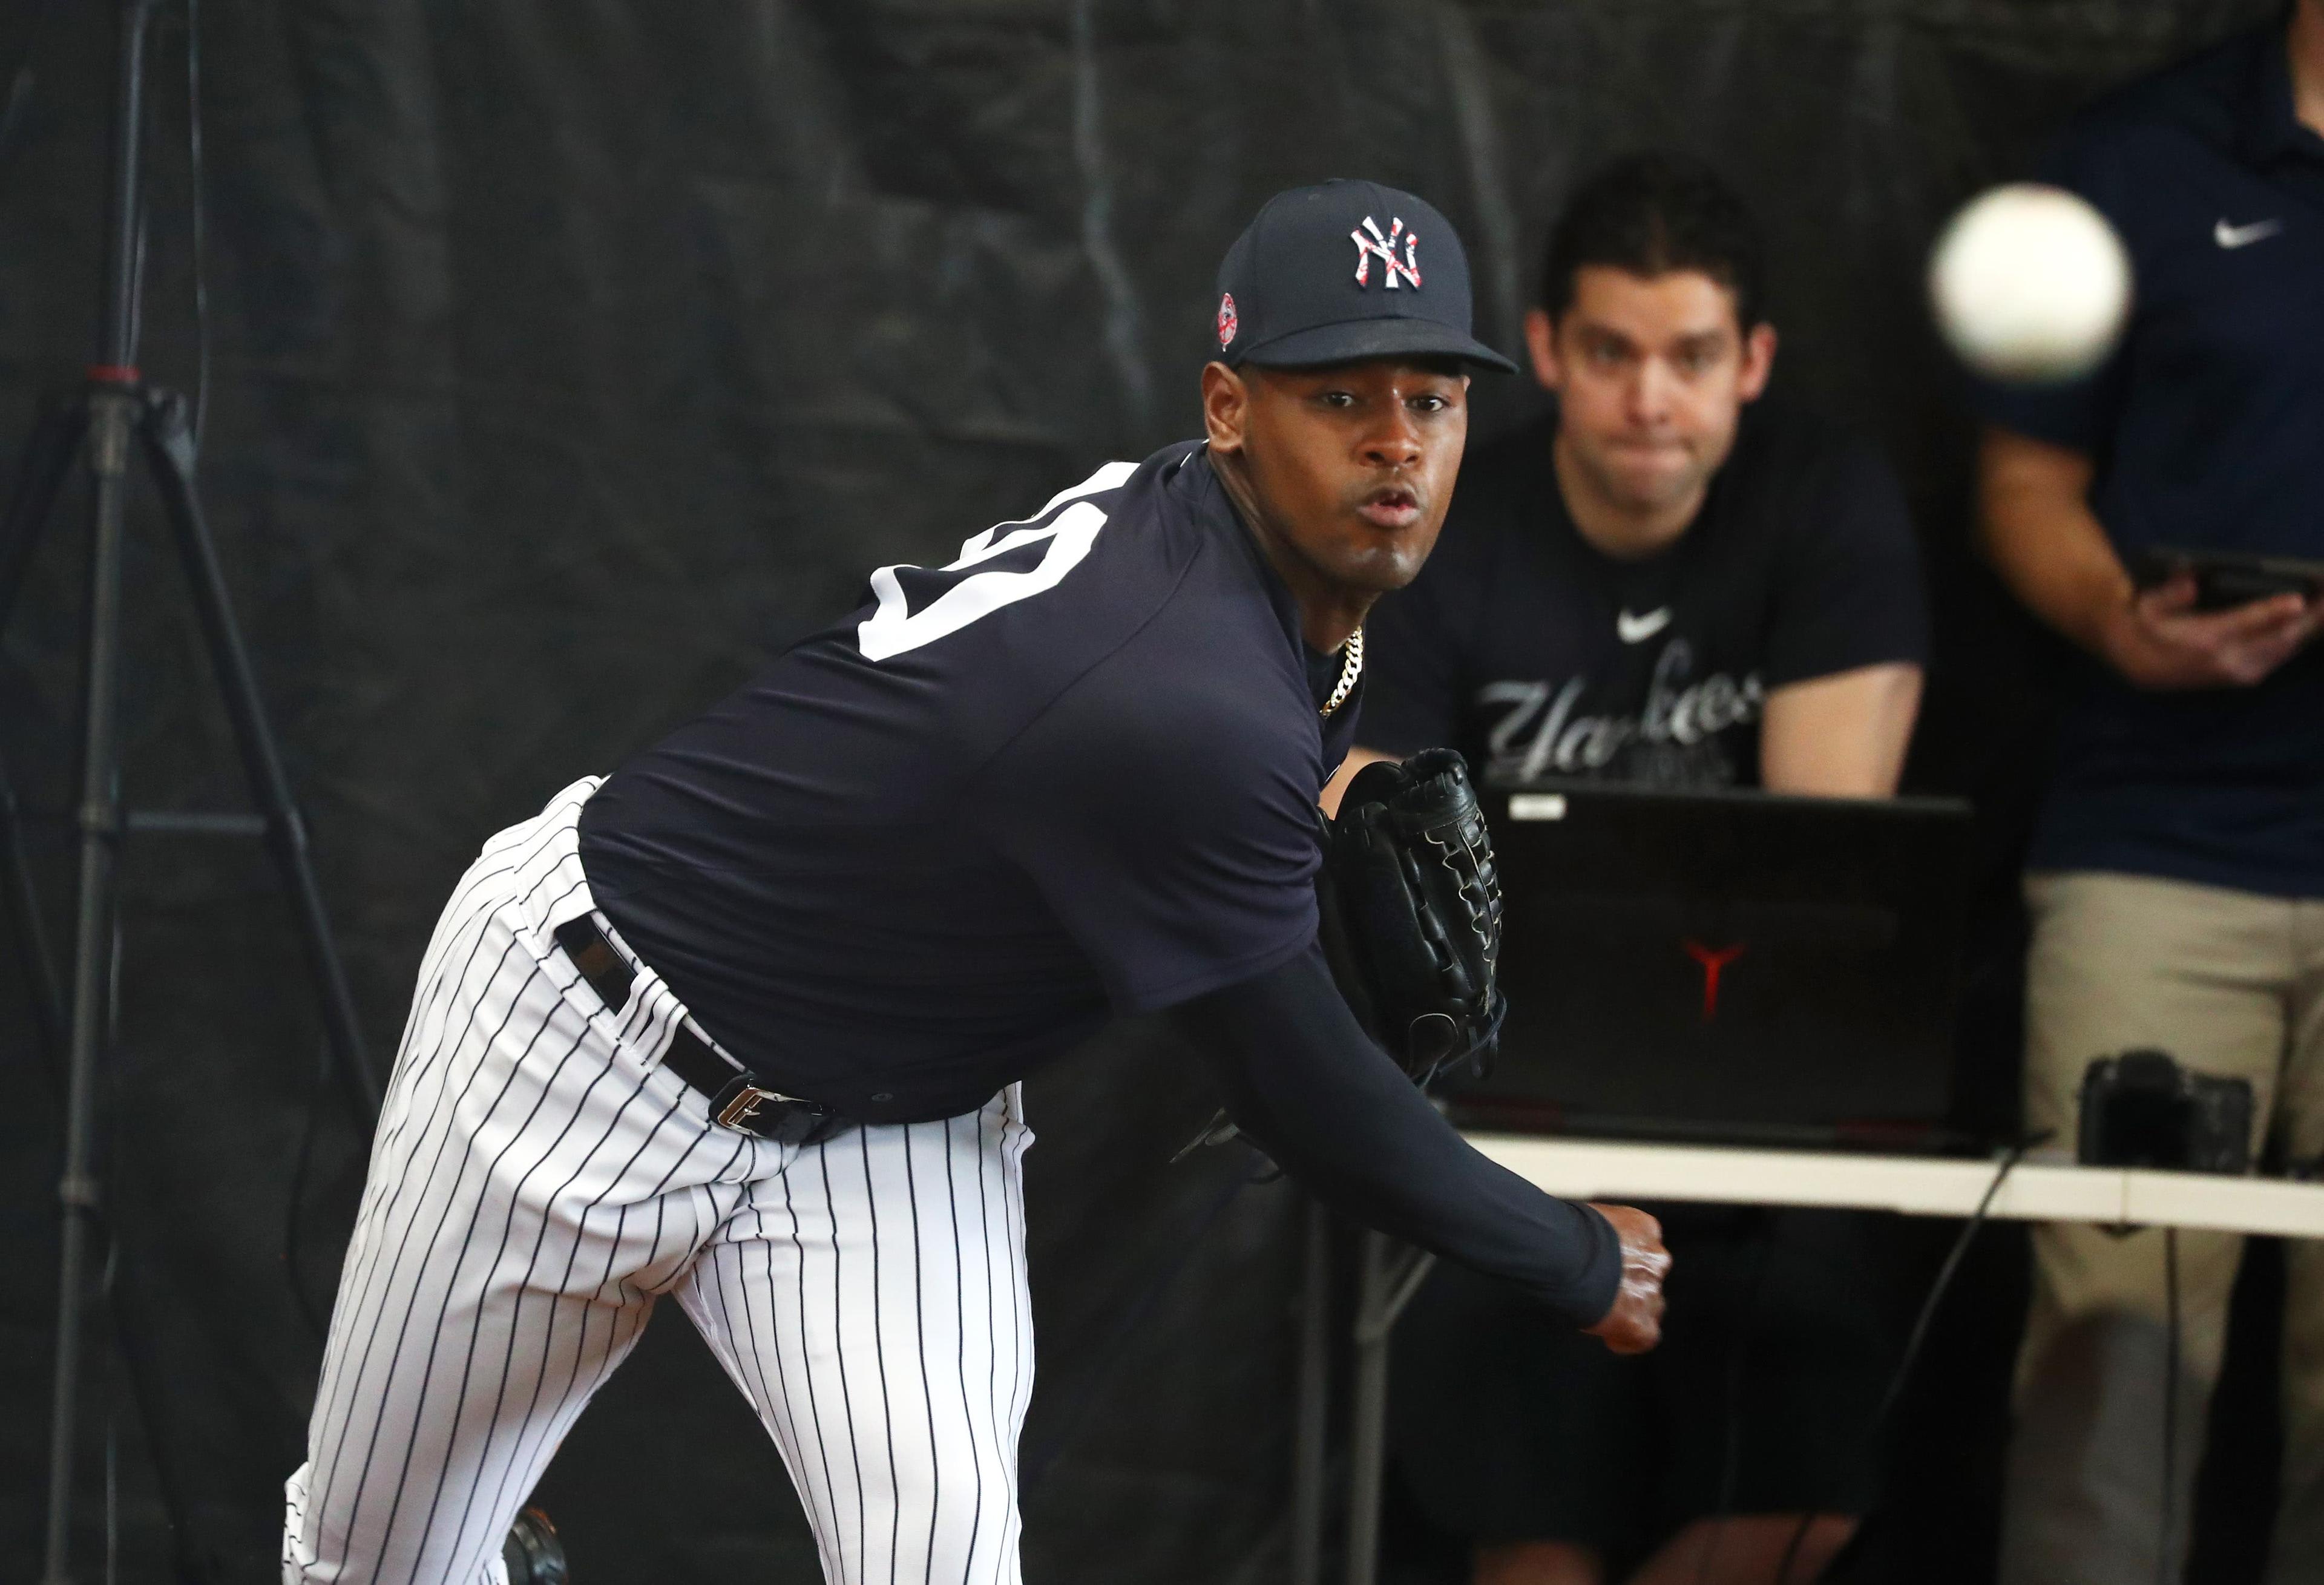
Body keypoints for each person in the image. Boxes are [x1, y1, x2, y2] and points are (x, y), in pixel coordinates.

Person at [280, 179, 1672, 1585]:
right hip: (586, 1027)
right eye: (1340, 394)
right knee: (371, 1566)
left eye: (1433, 398)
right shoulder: (1179, 687)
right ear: (1231, 408)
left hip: (890, 1119)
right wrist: (1574, 1255)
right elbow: (1307, 1093)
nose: (1396, 442)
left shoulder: (1249, 573)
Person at [1360, 153, 1928, 1585]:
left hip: (1766, 1119)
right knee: (1525, 1497)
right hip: (1507, 1106)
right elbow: (1379, 847)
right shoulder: (1448, 526)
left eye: (1690, 357)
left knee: (1809, 1480)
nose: (1650, 400)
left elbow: (1818, 886)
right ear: (1547, 351)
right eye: (1610, 353)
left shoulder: (1827, 504)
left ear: (1753, 362)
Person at [1976, 6, 2324, 1581]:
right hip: (2161, 856)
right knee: (2111, 1375)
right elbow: (2026, 481)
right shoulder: (2134, 160)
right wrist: (2123, 617)